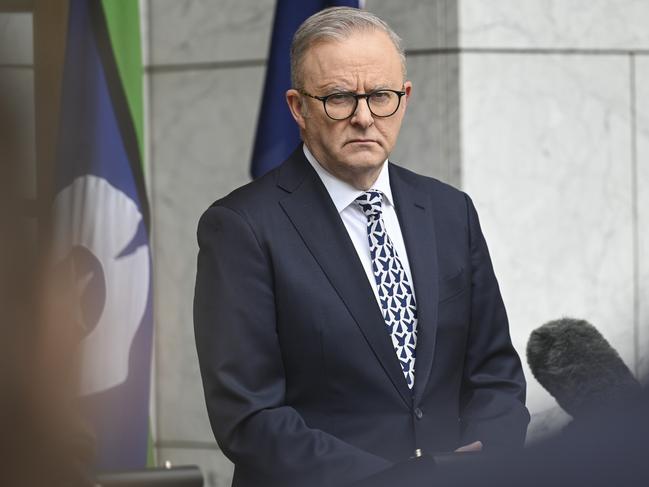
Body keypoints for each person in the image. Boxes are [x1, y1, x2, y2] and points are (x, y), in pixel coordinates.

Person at [194, 7, 529, 487]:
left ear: (405, 97)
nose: (364, 117)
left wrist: (486, 457)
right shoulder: (241, 227)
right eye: (338, 98)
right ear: (297, 107)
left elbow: (495, 374)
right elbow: (250, 417)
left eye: (380, 95)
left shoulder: (450, 211)